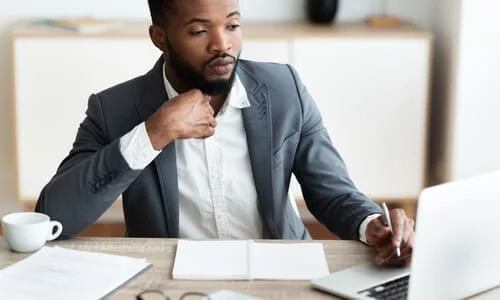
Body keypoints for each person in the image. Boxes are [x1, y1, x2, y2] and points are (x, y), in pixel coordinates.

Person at [35, 0, 415, 266]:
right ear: (160, 37)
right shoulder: (114, 109)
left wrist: (372, 225)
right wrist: (153, 133)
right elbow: (56, 215)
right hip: (171, 280)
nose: (222, 44)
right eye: (199, 31)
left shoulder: (285, 89)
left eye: (232, 25)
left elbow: (331, 190)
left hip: (279, 270)